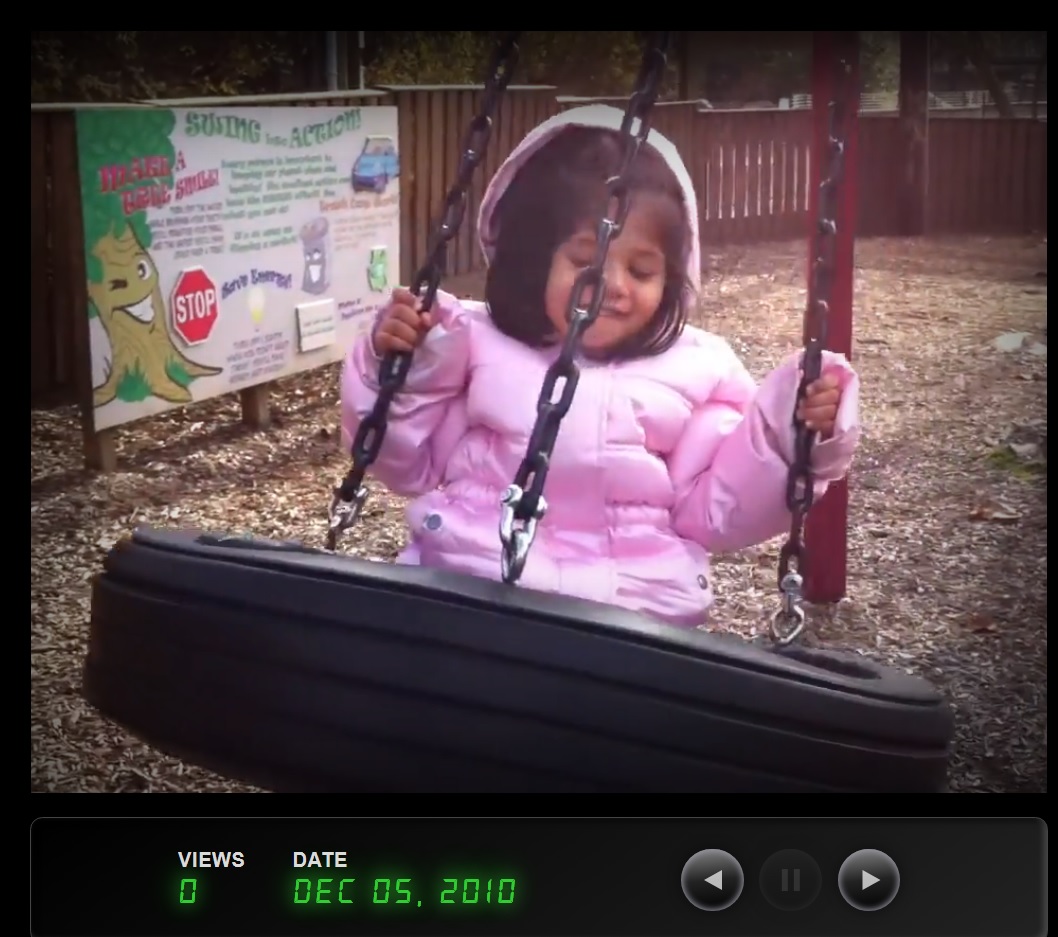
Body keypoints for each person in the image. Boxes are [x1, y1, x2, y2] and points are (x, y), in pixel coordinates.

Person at [340, 105, 860, 626]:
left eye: (640, 269)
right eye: (585, 261)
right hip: (472, 586)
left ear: (671, 280)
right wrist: (400, 364)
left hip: (632, 615)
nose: (611, 286)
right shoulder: (472, 343)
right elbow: (402, 462)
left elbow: (718, 511)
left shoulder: (698, 371)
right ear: (537, 258)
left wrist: (793, 438)